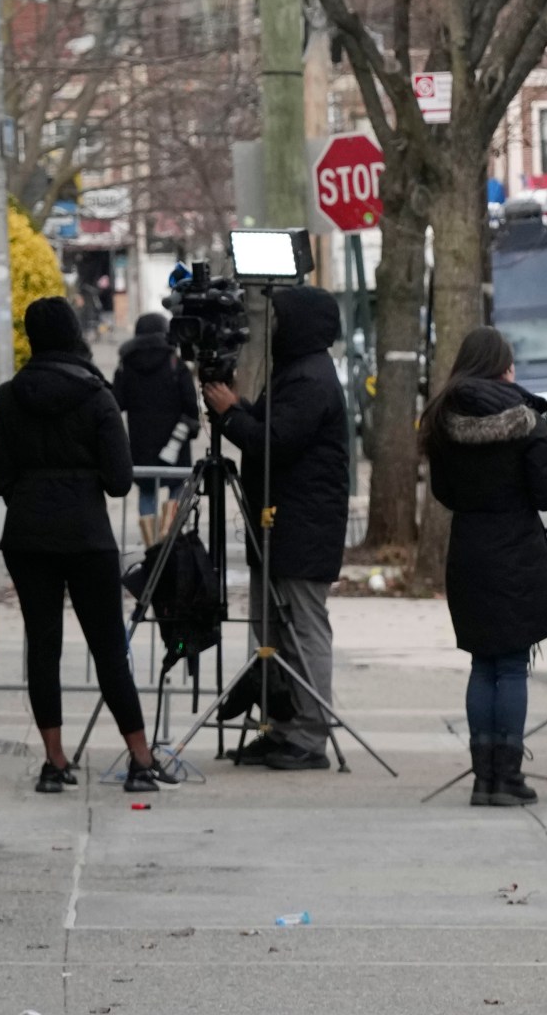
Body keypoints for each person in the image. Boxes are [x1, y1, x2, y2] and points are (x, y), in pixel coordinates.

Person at [0, 295, 179, 794]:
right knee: (109, 648)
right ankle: (140, 759)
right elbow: (119, 481)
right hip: (87, 536)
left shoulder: (9, 397)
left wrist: (34, 492)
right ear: (74, 333)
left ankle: (54, 762)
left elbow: (1, 478)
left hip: (28, 536)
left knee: (43, 647)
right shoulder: (96, 396)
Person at [203, 283, 350, 770]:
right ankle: (277, 724)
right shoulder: (295, 371)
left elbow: (275, 442)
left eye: (282, 321)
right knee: (269, 632)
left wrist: (230, 415)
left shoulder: (311, 379)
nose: (274, 331)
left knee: (303, 628)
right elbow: (267, 427)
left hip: (303, 528)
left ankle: (309, 734)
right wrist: (236, 409)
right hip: (278, 523)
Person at [420, 324, 547, 807]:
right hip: (516, 549)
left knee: (483, 664)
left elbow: (442, 492)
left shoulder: (441, 418)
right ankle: (509, 776)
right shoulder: (526, 419)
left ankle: (483, 779)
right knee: (512, 667)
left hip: (469, 549)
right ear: (504, 367)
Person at [112, 311, 200, 544]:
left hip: (142, 446)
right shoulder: (175, 363)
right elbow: (191, 407)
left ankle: (151, 546)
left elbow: (115, 403)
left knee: (147, 493)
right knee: (176, 489)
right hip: (175, 445)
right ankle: (169, 541)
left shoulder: (127, 365)